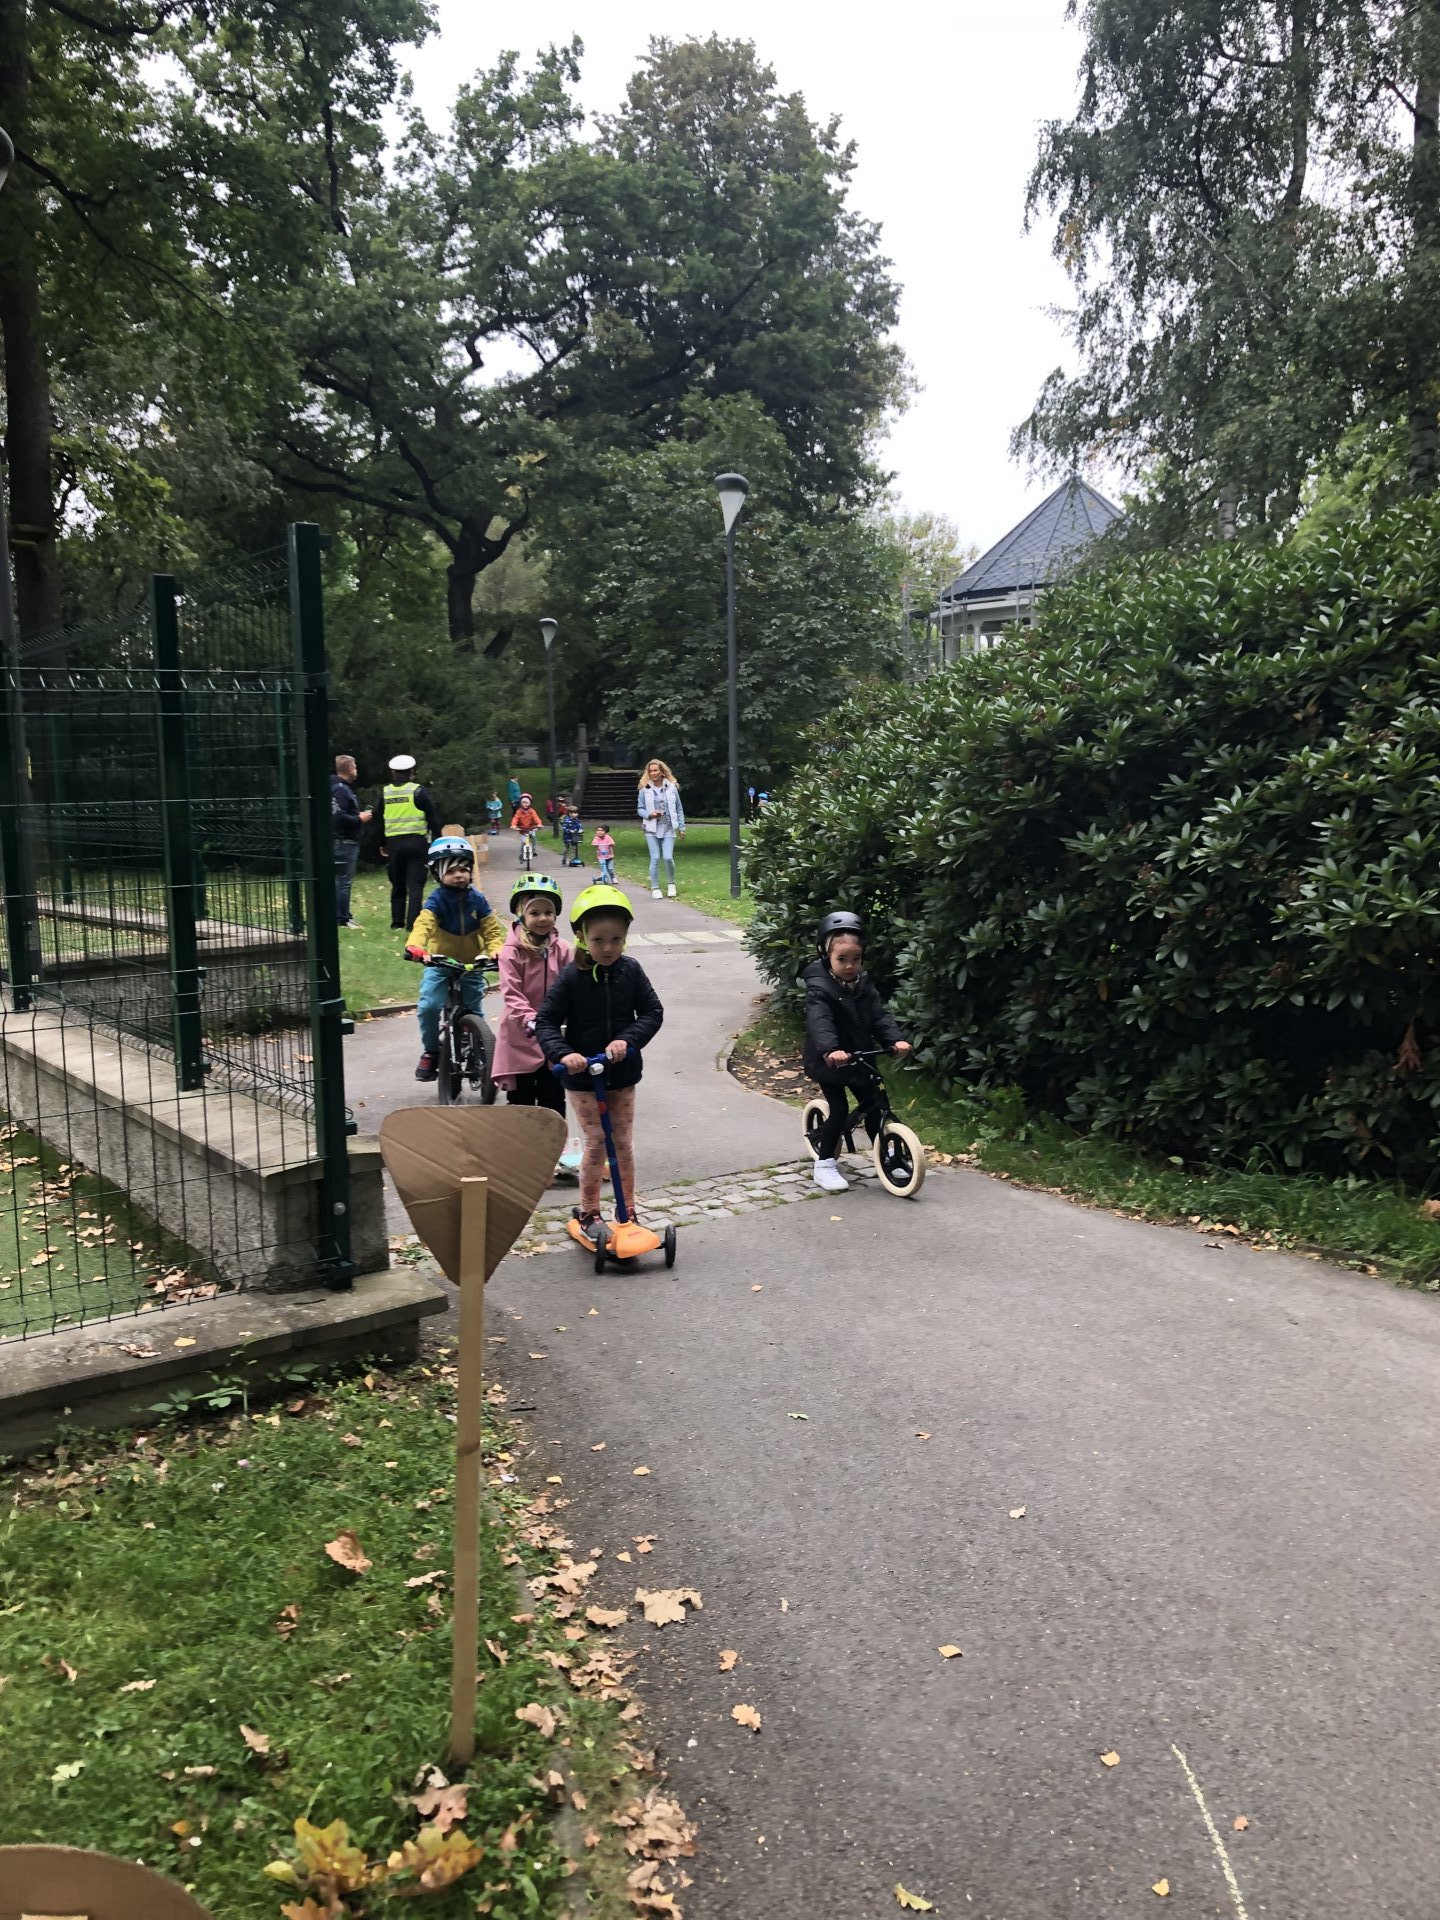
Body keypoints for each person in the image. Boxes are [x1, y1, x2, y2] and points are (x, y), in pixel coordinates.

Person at [535, 883, 664, 1238]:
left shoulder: (631, 971)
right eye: (598, 940)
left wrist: (628, 1040)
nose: (608, 948)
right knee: (596, 1143)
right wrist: (565, 1053)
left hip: (622, 1074)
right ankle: (589, 1211)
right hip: (583, 1078)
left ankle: (628, 1210)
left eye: (616, 939)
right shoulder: (571, 977)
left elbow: (652, 1012)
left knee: (622, 1144)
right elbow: (546, 1021)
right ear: (581, 936)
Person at [802, 910, 913, 1193]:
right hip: (830, 1061)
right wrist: (831, 1050)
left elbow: (879, 1016)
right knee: (839, 1110)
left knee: (876, 1104)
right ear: (826, 955)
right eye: (842, 959)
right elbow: (820, 1021)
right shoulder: (819, 989)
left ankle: (885, 1154)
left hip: (860, 1056)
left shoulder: (864, 985)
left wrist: (895, 1040)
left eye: (856, 959)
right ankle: (825, 1164)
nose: (850, 966)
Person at [405, 837, 506, 1081]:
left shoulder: (477, 900)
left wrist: (496, 950)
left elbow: (492, 930)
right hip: (440, 963)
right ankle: (431, 1050)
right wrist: (416, 946)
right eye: (451, 871)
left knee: (474, 1010)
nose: (459, 875)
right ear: (438, 874)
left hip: (471, 964)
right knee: (429, 1007)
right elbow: (424, 925)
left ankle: (478, 1046)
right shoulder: (436, 900)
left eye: (464, 869)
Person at [492, 874, 572, 1117]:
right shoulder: (511, 952)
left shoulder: (563, 949)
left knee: (553, 1098)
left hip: (553, 1036)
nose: (542, 918)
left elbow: (572, 986)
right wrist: (530, 1019)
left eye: (548, 912)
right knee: (521, 1102)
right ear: (521, 915)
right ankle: (521, 1141)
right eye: (535, 913)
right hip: (520, 1034)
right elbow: (512, 993)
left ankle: (554, 1140)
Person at [380, 754, 441, 932]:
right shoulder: (418, 792)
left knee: (397, 884)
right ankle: (412, 925)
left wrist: (382, 843)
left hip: (394, 844)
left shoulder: (386, 793)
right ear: (411, 772)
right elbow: (433, 818)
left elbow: (378, 820)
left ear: (393, 773)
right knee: (415, 886)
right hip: (416, 844)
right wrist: (437, 841)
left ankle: (396, 923)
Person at [331, 754, 372, 927]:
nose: (356, 770)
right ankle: (343, 918)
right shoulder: (341, 790)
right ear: (348, 768)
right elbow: (338, 816)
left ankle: (343, 914)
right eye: (354, 766)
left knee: (341, 881)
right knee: (343, 881)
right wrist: (359, 818)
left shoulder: (339, 788)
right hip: (344, 842)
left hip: (342, 841)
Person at [637, 758, 686, 899]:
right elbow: (640, 809)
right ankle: (655, 887)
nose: (653, 773)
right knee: (655, 858)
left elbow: (679, 808)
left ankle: (671, 883)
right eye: (650, 771)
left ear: (662, 771)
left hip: (668, 827)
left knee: (668, 857)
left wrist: (681, 827)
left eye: (655, 770)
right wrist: (649, 814)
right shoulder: (644, 789)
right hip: (651, 828)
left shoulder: (671, 787)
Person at [510, 791, 543, 863]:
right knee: (523, 842)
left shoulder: (532, 811)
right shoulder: (519, 811)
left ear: (529, 803)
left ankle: (534, 850)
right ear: (521, 803)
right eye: (523, 802)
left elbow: (536, 818)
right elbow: (515, 818)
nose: (525, 804)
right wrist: (513, 825)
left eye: (526, 802)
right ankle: (522, 854)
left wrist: (539, 824)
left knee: (533, 837)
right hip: (523, 829)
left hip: (531, 828)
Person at [561, 803, 584, 867]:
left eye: (577, 813)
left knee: (574, 848)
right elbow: (564, 828)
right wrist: (569, 831)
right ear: (570, 814)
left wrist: (581, 830)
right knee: (566, 849)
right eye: (574, 813)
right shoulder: (567, 821)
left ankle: (574, 859)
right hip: (567, 838)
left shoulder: (577, 820)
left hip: (576, 836)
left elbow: (580, 826)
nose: (576, 814)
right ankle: (564, 860)